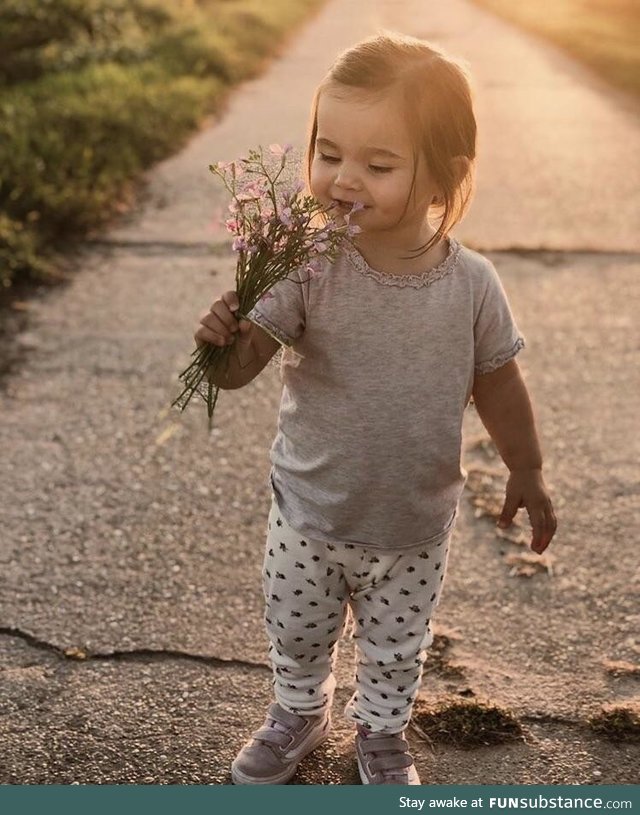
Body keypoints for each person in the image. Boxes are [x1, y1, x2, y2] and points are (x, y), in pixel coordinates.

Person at [194, 31, 557, 785]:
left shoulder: (472, 286)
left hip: (413, 522)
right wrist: (220, 345)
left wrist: (527, 465)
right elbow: (243, 367)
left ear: (442, 179)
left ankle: (383, 730)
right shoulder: (307, 265)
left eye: (378, 163)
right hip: (311, 509)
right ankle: (298, 709)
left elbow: (498, 381)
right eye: (328, 153)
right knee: (297, 629)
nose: (343, 179)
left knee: (398, 643)